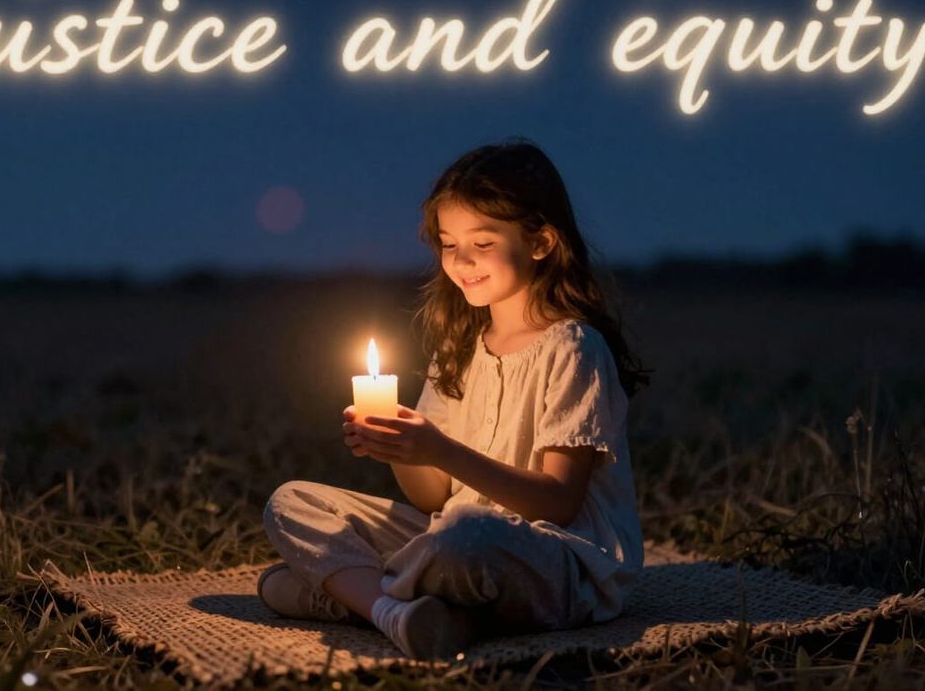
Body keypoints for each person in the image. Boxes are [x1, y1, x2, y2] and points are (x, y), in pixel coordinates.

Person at [259, 138, 652, 660]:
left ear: (541, 243)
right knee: (292, 503)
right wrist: (400, 449)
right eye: (448, 244)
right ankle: (405, 612)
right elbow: (431, 497)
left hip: (554, 559)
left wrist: (440, 449)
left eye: (482, 243)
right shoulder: (459, 350)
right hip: (449, 536)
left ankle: (370, 596)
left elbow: (557, 503)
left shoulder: (574, 348)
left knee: (454, 538)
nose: (462, 261)